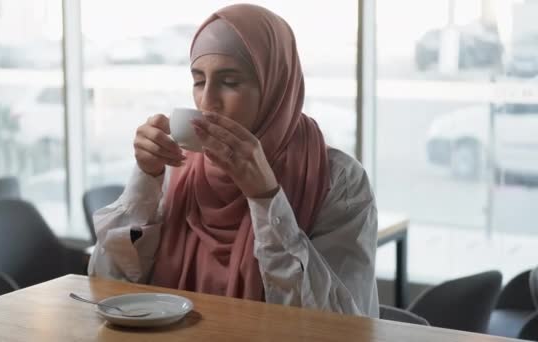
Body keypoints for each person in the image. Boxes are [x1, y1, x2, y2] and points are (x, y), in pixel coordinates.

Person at [88, 3, 378, 317]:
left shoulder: (338, 180)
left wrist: (266, 198)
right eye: (199, 81)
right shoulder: (179, 167)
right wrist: (145, 178)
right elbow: (106, 285)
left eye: (230, 82)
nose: (208, 101)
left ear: (275, 87)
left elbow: (343, 324)